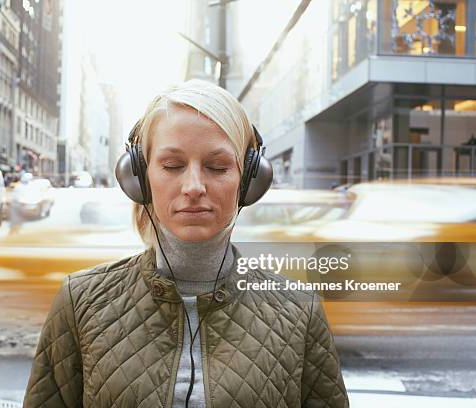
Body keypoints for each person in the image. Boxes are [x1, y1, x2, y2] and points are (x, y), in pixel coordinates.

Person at [23, 80, 348, 407]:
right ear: (139, 177)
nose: (194, 186)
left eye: (217, 167)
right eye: (173, 166)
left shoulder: (299, 311)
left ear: (249, 180)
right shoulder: (80, 303)